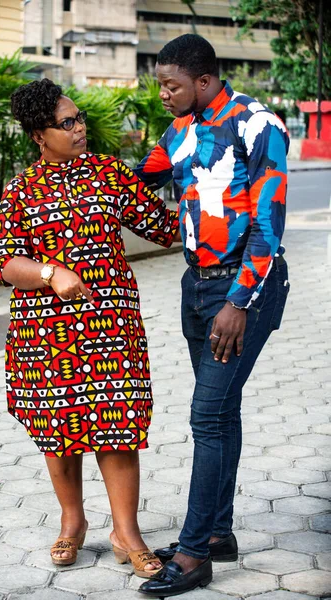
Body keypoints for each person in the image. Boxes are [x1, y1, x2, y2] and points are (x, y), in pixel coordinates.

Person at [0, 78, 179, 576]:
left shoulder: (110, 174)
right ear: (39, 135)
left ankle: (127, 532)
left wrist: (217, 195)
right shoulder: (18, 191)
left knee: (119, 427)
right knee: (60, 429)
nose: (80, 128)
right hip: (45, 334)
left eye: (80, 119)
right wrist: (51, 273)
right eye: (67, 123)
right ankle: (72, 522)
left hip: (111, 326)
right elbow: (6, 263)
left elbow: (164, 228)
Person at [134, 34, 290, 597]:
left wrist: (238, 304)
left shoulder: (257, 125)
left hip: (242, 294)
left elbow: (269, 229)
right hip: (194, 288)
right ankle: (219, 533)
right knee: (221, 413)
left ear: (204, 80)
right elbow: (138, 180)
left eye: (171, 85)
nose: (163, 96)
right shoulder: (177, 131)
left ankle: (196, 552)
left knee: (206, 415)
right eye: (159, 85)